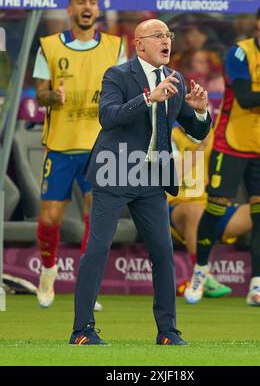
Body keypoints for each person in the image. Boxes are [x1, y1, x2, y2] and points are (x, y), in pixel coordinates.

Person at [69, 18, 211, 345]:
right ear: (139, 44)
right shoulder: (117, 75)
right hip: (114, 170)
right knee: (98, 248)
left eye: (168, 35)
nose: (166, 41)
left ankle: (168, 332)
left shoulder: (174, 79)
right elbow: (108, 116)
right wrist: (149, 98)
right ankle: (82, 331)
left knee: (162, 251)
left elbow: (196, 128)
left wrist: (202, 112)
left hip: (152, 177)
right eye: (158, 35)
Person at [184, 1, 260, 307]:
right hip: (232, 141)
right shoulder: (239, 53)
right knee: (216, 207)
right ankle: (200, 271)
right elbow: (246, 98)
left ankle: (257, 285)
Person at [33, 0, 127, 310]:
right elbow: (39, 93)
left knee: (96, 215)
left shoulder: (116, 47)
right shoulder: (48, 46)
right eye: (80, 2)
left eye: (92, 2)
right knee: (50, 217)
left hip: (100, 145)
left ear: (98, 10)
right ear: (70, 9)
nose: (86, 7)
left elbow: (128, 89)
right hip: (60, 144)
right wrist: (52, 96)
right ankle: (48, 270)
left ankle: (89, 286)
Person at [168, 125, 260, 298]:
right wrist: (201, 147)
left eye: (205, 107)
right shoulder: (171, 136)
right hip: (178, 207)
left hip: (211, 206)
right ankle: (202, 277)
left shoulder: (217, 136)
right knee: (195, 211)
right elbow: (173, 176)